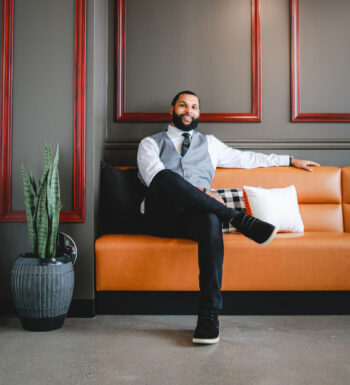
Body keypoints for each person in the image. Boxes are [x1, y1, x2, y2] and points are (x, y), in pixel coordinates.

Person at [137, 90, 320, 345]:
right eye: (183, 105)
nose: (189, 110)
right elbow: (154, 178)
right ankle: (237, 218)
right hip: (161, 217)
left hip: (193, 219)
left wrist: (289, 159)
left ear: (199, 113)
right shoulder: (150, 143)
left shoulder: (210, 143)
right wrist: (202, 192)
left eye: (194, 107)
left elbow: (246, 158)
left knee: (211, 218)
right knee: (166, 177)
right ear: (171, 110)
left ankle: (209, 314)